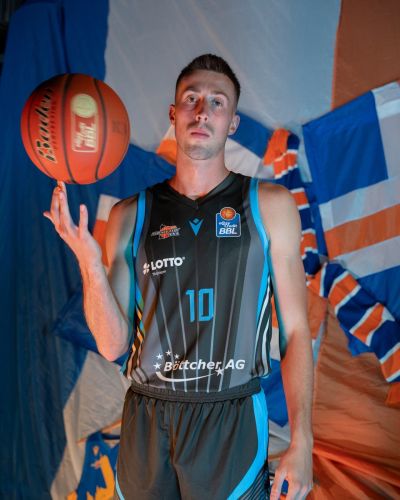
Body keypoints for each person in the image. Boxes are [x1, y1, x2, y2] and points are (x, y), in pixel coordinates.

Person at [45, 54, 313, 500]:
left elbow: (297, 331)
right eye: (191, 99)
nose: (202, 111)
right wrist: (90, 262)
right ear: (174, 114)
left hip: (230, 416)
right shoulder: (130, 215)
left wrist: (302, 441)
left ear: (232, 123)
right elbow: (112, 345)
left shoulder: (270, 205)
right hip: (147, 417)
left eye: (217, 102)